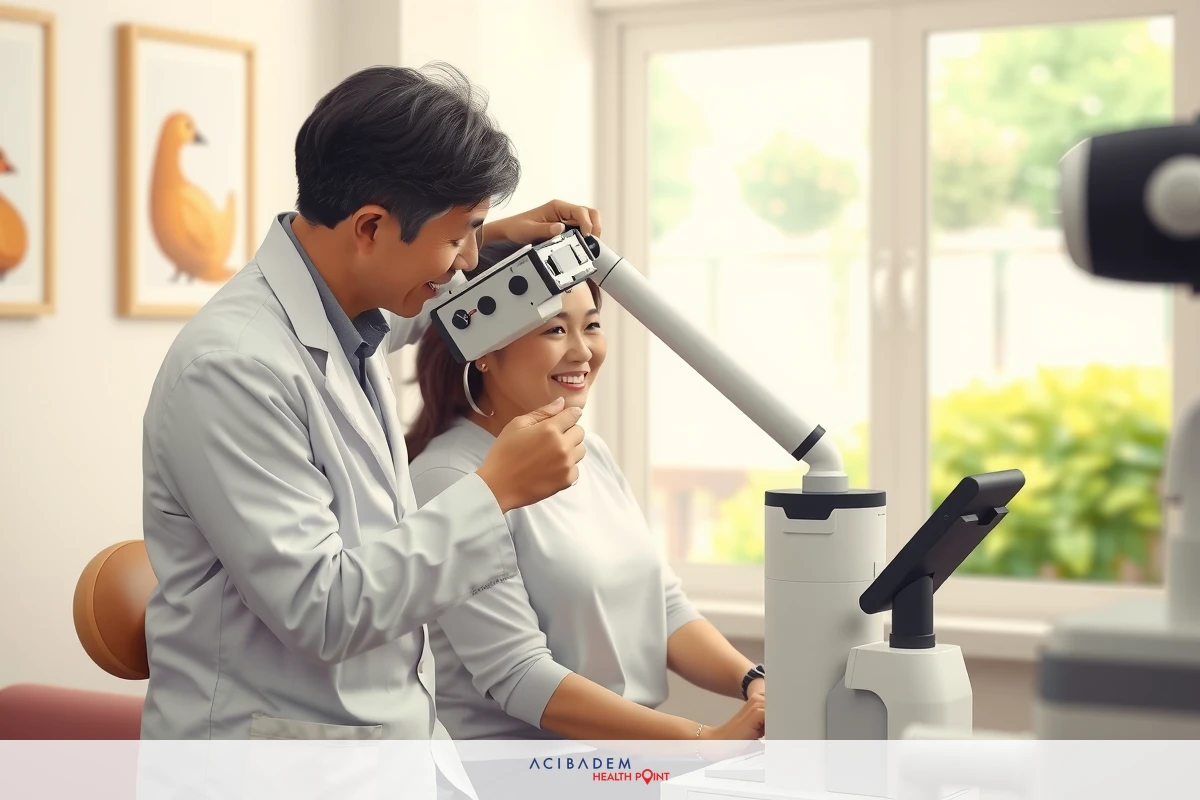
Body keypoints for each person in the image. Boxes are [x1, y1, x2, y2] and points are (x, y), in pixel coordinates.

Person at [139, 63, 604, 751]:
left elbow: (441, 299)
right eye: (458, 238)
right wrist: (493, 492)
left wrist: (497, 234)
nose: (466, 263)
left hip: (380, 744)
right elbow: (321, 609)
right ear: (370, 227)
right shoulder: (232, 369)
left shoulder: (347, 316)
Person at [407, 241, 767, 743]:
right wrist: (700, 742)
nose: (583, 351)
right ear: (485, 351)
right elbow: (520, 675)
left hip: (617, 768)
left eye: (592, 325)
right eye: (555, 329)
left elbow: (664, 607)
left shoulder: (586, 450)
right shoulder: (447, 479)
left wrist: (755, 682)